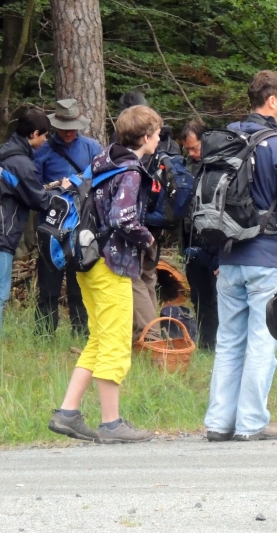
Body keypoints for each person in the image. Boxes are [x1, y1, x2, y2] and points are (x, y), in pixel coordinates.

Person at [48, 105, 160, 443]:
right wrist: (149, 240)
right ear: (146, 136)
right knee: (115, 342)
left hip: (87, 260)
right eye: (157, 133)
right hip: (112, 264)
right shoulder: (131, 171)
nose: (159, 139)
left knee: (98, 338)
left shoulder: (103, 161)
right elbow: (123, 218)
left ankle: (68, 412)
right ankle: (112, 423)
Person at [203, 71, 277, 442]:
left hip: (228, 258)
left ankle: (218, 422)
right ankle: (251, 423)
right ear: (272, 101)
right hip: (266, 259)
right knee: (262, 342)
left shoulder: (226, 138)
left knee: (229, 341)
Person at [115, 91, 181, 344]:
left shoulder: (126, 157)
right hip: (152, 226)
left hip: (141, 228)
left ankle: (148, 336)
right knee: (145, 277)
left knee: (138, 279)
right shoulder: (166, 146)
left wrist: (144, 236)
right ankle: (151, 335)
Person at [33, 98, 100, 336]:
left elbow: (102, 183)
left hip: (82, 226)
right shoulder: (43, 151)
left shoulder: (92, 148)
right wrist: (57, 190)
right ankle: (44, 333)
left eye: (73, 128)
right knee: (48, 284)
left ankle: (82, 333)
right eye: (64, 128)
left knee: (79, 285)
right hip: (51, 226)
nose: (69, 132)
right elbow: (34, 190)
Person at [0, 110, 61, 330]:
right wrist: (60, 189)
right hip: (3, 235)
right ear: (34, 134)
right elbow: (39, 200)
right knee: (1, 293)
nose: (45, 140)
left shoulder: (5, 152)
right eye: (44, 135)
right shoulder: (20, 164)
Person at [180, 119, 219, 350]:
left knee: (216, 296)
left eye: (195, 148)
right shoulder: (187, 167)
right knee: (198, 295)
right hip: (191, 240)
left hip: (215, 241)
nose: (192, 153)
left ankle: (218, 344)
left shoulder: (221, 166)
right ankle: (205, 343)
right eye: (188, 149)